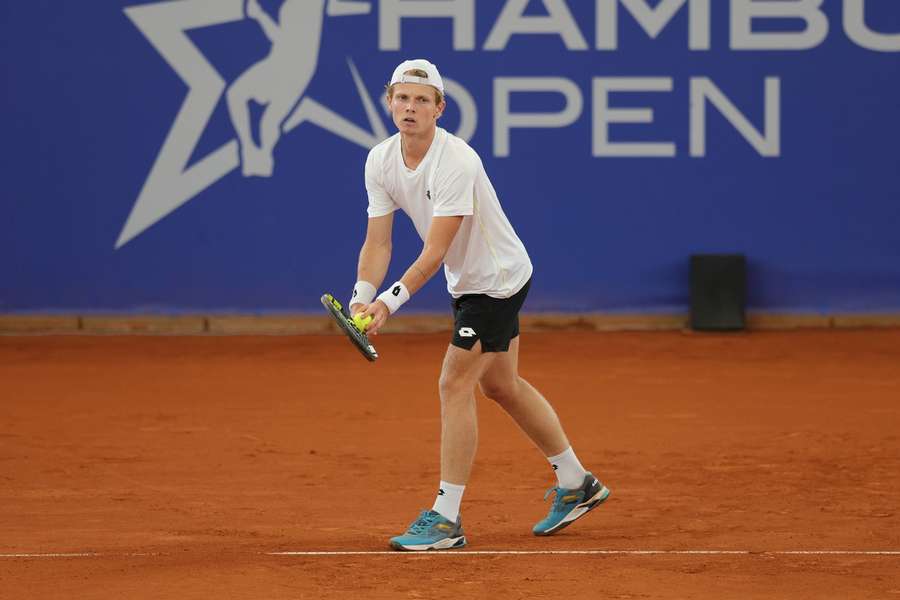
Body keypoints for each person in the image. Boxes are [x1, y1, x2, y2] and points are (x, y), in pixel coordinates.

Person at [349, 59, 610, 551]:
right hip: (467, 282)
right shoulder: (380, 160)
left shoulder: (457, 161)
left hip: (496, 280)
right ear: (389, 103)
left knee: (454, 381)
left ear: (439, 108)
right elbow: (378, 244)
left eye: (421, 100)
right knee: (501, 384)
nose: (410, 107)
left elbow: (435, 250)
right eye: (402, 98)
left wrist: (390, 302)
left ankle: (447, 517)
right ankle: (577, 483)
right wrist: (362, 299)